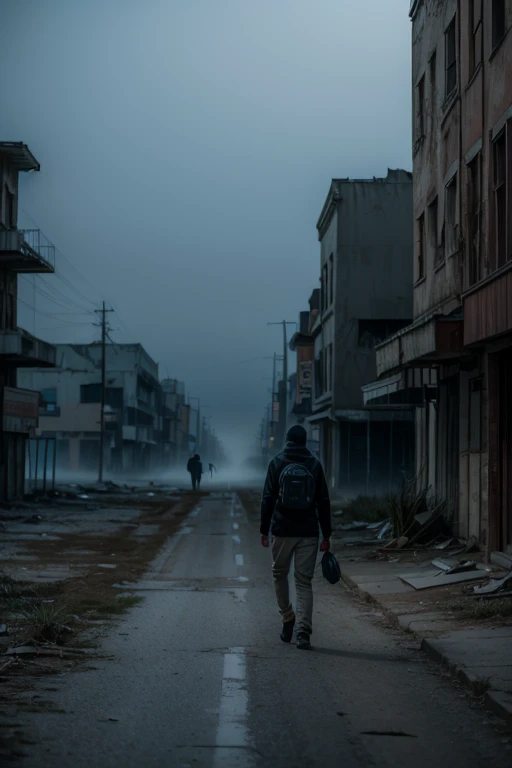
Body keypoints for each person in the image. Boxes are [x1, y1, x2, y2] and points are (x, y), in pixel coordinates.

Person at [260, 424, 332, 651]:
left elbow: (268, 498)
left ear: (287, 440)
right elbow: (324, 501)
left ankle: (287, 617)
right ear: (305, 441)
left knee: (279, 574)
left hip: (282, 530)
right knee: (304, 582)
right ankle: (303, 632)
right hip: (309, 532)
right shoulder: (314, 464)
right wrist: (326, 534)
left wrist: (264, 530)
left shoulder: (276, 463)